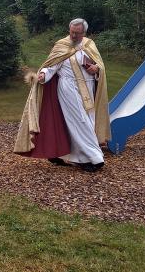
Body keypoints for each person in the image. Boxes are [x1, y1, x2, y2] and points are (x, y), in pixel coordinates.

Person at [14, 18, 110, 172]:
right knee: (80, 121)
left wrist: (96, 69)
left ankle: (68, 155)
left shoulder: (89, 44)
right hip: (69, 88)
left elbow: (100, 65)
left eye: (77, 34)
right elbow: (51, 65)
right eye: (72, 32)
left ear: (84, 33)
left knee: (88, 121)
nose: (73, 36)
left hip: (88, 87)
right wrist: (43, 75)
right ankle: (94, 158)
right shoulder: (62, 45)